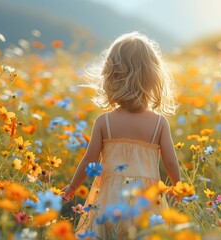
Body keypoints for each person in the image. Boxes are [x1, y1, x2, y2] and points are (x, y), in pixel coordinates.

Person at [62, 32, 181, 239]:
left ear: (111, 76)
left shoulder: (104, 122)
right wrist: (178, 187)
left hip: (110, 198)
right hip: (146, 200)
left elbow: (89, 160)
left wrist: (73, 186)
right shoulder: (159, 123)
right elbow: (170, 161)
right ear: (153, 78)